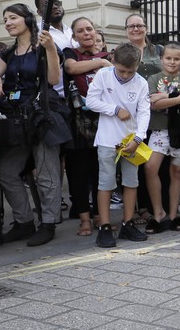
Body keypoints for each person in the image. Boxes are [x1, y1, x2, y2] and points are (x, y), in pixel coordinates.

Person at [0, 3, 69, 247]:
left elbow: (54, 79)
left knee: (47, 174)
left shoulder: (45, 46)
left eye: (13, 17)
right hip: (15, 119)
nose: (8, 23)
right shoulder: (10, 52)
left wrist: (51, 50)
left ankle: (48, 223)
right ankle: (24, 222)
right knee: (6, 172)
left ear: (27, 19)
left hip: (42, 117)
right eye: (5, 20)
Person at [86, 43, 150, 248]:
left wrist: (138, 138)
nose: (125, 75)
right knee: (106, 183)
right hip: (107, 139)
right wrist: (114, 109)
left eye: (130, 71)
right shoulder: (103, 75)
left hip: (131, 141)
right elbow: (91, 101)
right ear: (113, 61)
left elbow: (144, 112)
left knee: (131, 182)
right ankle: (105, 226)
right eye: (121, 70)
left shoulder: (141, 83)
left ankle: (128, 223)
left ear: (138, 66)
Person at [63, 16, 113, 237]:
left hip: (104, 119)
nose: (86, 33)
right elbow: (72, 69)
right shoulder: (70, 53)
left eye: (89, 29)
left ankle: (99, 214)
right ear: (74, 36)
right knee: (78, 171)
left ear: (95, 32)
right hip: (78, 121)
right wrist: (102, 63)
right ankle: (84, 218)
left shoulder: (109, 55)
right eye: (81, 31)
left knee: (100, 169)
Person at [144, 42, 180, 234]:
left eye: (176, 58)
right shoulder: (153, 78)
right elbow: (152, 103)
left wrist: (164, 96)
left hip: (179, 132)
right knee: (150, 167)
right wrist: (176, 98)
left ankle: (174, 215)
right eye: (168, 58)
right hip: (158, 130)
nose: (172, 62)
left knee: (177, 172)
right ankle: (158, 213)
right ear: (161, 58)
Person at [122, 14, 162, 79]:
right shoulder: (120, 52)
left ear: (146, 29)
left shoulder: (159, 50)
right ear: (126, 30)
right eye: (131, 26)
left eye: (139, 26)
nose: (135, 29)